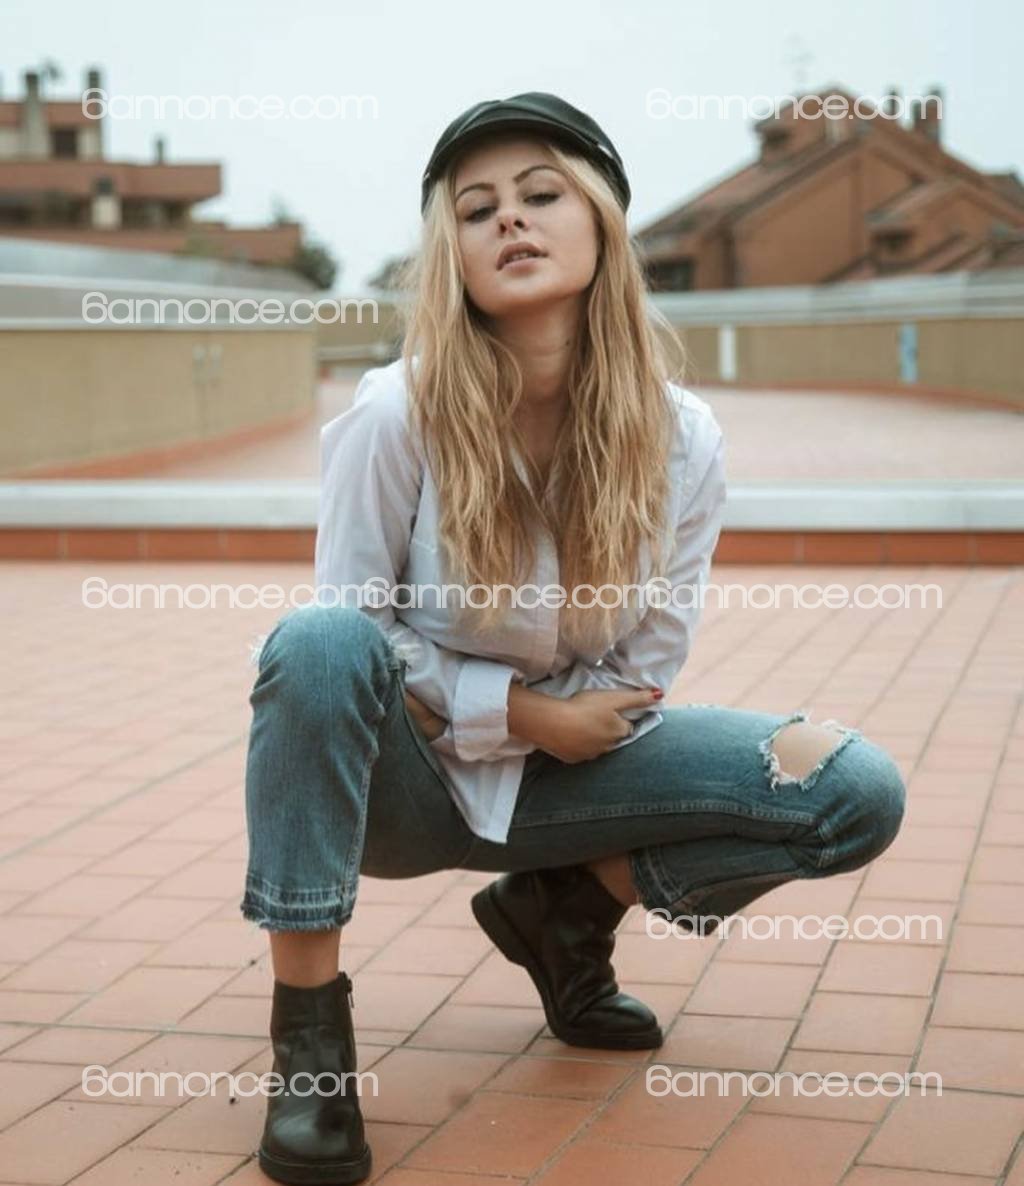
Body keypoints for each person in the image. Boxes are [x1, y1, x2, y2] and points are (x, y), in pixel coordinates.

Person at [241, 92, 908, 1186]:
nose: (510, 219)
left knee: (850, 791)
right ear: (452, 255)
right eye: (477, 209)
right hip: (408, 791)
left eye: (542, 194)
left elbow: (648, 658)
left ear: (601, 222)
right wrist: (516, 711)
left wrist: (559, 734)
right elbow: (356, 630)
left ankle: (563, 912)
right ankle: (309, 1049)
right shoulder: (396, 413)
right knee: (313, 643)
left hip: (572, 779)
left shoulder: (680, 437)